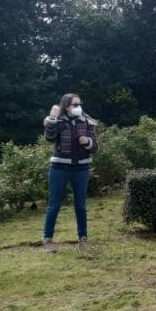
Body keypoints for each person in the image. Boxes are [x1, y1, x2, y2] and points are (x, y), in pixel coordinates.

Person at [42, 93, 99, 250]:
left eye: (79, 104)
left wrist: (88, 142)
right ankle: (47, 240)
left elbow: (96, 147)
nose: (78, 107)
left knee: (81, 205)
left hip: (82, 168)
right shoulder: (58, 121)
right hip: (59, 168)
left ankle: (83, 239)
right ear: (66, 106)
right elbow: (49, 138)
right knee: (54, 205)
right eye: (75, 105)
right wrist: (51, 120)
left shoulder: (87, 122)